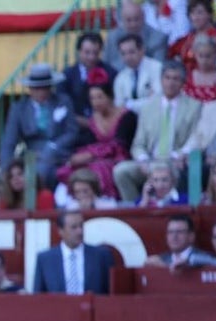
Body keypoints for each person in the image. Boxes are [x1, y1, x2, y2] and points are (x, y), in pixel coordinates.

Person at [113, 60, 202, 201]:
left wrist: (182, 154)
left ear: (183, 82)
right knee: (121, 171)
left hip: (175, 161)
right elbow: (138, 144)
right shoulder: (148, 107)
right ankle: (135, 211)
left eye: (176, 79)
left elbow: (197, 138)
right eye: (167, 78)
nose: (171, 83)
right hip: (151, 161)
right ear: (161, 80)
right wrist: (142, 160)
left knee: (187, 170)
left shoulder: (194, 106)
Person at [55, 67, 138, 200]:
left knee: (99, 168)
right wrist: (80, 157)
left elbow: (119, 145)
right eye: (92, 98)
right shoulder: (94, 120)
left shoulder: (126, 116)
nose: (96, 102)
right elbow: (90, 143)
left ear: (110, 97)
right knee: (68, 169)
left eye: (100, 97)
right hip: (97, 158)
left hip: (119, 157)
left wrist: (90, 155)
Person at [0, 63, 80, 189]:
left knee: (43, 172)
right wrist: (5, 168)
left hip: (60, 154)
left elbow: (72, 132)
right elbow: (9, 141)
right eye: (37, 88)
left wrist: (53, 147)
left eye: (45, 88)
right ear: (30, 88)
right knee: (27, 173)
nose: (42, 92)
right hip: (33, 156)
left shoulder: (63, 101)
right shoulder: (19, 109)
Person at [33, 209, 115, 294]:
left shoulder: (101, 256)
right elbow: (39, 297)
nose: (80, 231)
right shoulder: (45, 259)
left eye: (81, 226)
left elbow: (110, 294)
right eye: (74, 227)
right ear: (61, 231)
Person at [59, 32, 117, 141]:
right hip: (75, 128)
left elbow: (114, 102)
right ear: (79, 51)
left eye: (95, 53)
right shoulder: (67, 75)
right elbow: (62, 103)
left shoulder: (111, 73)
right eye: (87, 53)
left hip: (104, 127)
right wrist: (77, 120)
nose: (91, 57)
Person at [103, 1, 169, 70]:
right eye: (129, 20)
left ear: (143, 17)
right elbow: (106, 65)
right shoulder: (112, 37)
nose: (133, 24)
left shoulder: (158, 38)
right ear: (122, 20)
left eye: (136, 19)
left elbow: (158, 67)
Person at [113, 32, 164, 115]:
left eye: (131, 52)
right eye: (123, 54)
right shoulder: (120, 77)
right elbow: (119, 107)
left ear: (142, 50)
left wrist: (129, 104)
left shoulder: (157, 68)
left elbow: (158, 100)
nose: (127, 57)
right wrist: (145, 100)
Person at [169, 0, 216, 71]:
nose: (195, 17)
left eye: (200, 13)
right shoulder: (186, 39)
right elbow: (170, 53)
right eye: (192, 13)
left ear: (209, 14)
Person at [145, 213, 213, 270]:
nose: (174, 236)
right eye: (170, 232)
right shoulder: (160, 259)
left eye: (179, 232)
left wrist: (165, 267)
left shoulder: (205, 258)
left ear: (191, 236)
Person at [182, 34, 216, 102]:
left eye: (208, 56)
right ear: (195, 54)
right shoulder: (187, 77)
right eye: (201, 56)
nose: (204, 61)